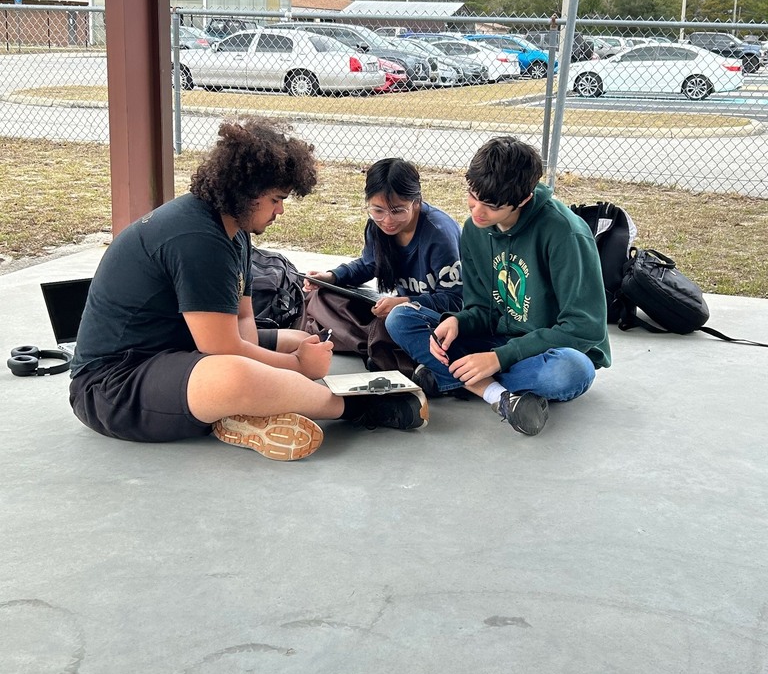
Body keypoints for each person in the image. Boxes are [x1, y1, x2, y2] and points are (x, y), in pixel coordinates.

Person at [69, 119, 428, 461]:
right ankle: (353, 408)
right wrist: (297, 367)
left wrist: (292, 357)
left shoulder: (233, 231)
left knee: (291, 337)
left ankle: (241, 412)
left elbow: (243, 320)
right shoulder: (198, 238)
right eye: (275, 199)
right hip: (112, 386)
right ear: (244, 192)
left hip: (174, 351)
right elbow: (221, 349)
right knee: (237, 374)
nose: (281, 210)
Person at [385, 136, 611, 436]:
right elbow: (483, 309)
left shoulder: (565, 234)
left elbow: (587, 328)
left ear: (524, 200)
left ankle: (451, 378)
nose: (477, 211)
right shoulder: (474, 230)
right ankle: (499, 396)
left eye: (490, 206)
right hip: (496, 341)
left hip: (549, 352)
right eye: (472, 196)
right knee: (401, 318)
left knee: (572, 371)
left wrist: (498, 359)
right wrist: (458, 322)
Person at [301, 158, 462, 376]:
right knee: (323, 296)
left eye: (397, 211)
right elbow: (368, 265)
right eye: (377, 210)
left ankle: (407, 357)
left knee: (399, 320)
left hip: (436, 320)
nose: (387, 220)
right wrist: (331, 277)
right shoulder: (377, 228)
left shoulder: (439, 234)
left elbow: (455, 300)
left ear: (416, 201)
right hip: (401, 314)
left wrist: (406, 302)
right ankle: (385, 347)